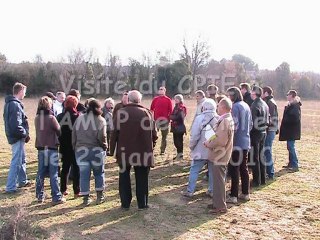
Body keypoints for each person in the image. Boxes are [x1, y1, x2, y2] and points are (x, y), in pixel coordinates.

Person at [110, 90, 157, 210]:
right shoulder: (147, 113)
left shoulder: (121, 113)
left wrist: (111, 150)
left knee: (124, 177)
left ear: (129, 99)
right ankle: (142, 203)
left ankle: (125, 203)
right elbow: (154, 133)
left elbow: (113, 133)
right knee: (142, 178)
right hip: (143, 151)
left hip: (124, 151)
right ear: (139, 100)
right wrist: (153, 145)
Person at [72, 99, 107, 206]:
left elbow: (74, 134)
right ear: (97, 108)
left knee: (84, 174)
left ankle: (86, 198)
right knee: (99, 173)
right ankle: (100, 195)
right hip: (96, 150)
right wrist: (104, 146)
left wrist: (75, 147)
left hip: (81, 150)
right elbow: (102, 137)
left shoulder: (79, 119)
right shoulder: (101, 120)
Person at [181, 99, 218, 197]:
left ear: (204, 107)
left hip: (200, 149)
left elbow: (195, 135)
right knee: (212, 171)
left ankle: (190, 191)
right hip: (213, 149)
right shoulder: (218, 118)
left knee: (194, 170)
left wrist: (191, 146)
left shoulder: (199, 118)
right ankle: (212, 190)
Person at [204, 98, 234, 214]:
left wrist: (208, 143)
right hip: (221, 154)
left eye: (218, 106)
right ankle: (217, 202)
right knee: (217, 181)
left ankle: (220, 206)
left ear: (222, 107)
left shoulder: (225, 121)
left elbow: (220, 140)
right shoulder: (227, 119)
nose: (217, 108)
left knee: (219, 181)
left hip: (220, 155)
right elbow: (217, 135)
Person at [35, 96, 65, 204]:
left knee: (41, 172)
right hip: (51, 147)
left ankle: (39, 195)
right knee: (53, 173)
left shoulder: (37, 117)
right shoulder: (51, 118)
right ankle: (56, 196)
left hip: (41, 148)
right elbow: (59, 131)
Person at [226, 87, 252, 204]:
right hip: (246, 140)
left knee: (234, 168)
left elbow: (234, 125)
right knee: (243, 167)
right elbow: (250, 124)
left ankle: (234, 195)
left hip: (237, 141)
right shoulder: (246, 105)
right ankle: (245, 192)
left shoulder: (235, 107)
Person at [3, 82, 31, 193]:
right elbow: (16, 124)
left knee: (22, 159)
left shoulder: (11, 103)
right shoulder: (15, 105)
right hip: (17, 137)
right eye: (24, 92)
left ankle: (22, 180)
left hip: (16, 136)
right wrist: (24, 134)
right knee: (16, 161)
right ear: (20, 91)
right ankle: (10, 187)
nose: (25, 94)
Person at [57, 95, 80, 198]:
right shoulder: (78, 117)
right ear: (75, 104)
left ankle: (63, 189)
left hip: (64, 145)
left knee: (65, 168)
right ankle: (77, 190)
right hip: (75, 145)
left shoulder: (60, 116)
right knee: (76, 168)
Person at [250, 86, 269, 187]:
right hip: (263, 132)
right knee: (261, 156)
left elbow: (252, 121)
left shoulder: (255, 105)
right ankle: (262, 179)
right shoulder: (264, 103)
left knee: (255, 157)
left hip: (256, 133)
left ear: (254, 93)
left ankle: (256, 180)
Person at [279, 90, 301, 171]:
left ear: (291, 95)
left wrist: (286, 120)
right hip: (290, 130)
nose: (287, 96)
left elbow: (295, 118)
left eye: (288, 94)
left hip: (292, 130)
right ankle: (291, 163)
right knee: (289, 146)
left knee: (291, 147)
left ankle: (295, 164)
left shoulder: (295, 105)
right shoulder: (291, 104)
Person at [262, 86, 279, 179]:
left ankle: (270, 173)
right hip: (270, 129)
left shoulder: (270, 103)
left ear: (266, 93)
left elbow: (271, 118)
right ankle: (268, 172)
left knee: (267, 151)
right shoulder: (268, 102)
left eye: (262, 92)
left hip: (270, 130)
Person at [150, 87, 173, 155]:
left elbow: (170, 110)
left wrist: (169, 119)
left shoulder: (168, 100)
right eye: (160, 89)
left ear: (165, 91)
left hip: (165, 120)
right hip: (156, 120)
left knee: (164, 136)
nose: (161, 91)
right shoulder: (155, 99)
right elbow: (151, 109)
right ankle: (151, 149)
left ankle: (162, 150)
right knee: (153, 135)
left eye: (162, 90)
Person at [170, 94, 187, 160]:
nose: (175, 100)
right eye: (175, 99)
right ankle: (178, 154)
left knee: (179, 141)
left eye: (177, 99)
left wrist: (172, 117)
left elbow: (181, 117)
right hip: (174, 126)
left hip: (179, 126)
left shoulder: (182, 107)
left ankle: (180, 154)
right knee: (175, 141)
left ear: (180, 100)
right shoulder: (176, 107)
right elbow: (172, 114)